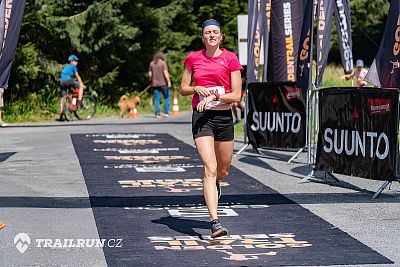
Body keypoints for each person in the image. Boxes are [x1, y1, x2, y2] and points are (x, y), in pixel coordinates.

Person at [180, 19, 242, 238]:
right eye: (208, 33)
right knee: (210, 168)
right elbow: (183, 89)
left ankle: (215, 184)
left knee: (223, 170)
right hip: (202, 118)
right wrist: (196, 88)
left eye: (215, 32)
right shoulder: (193, 58)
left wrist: (215, 95)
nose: (212, 36)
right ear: (203, 37)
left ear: (221, 36)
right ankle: (215, 222)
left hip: (224, 117)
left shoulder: (230, 59)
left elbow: (236, 95)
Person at [59, 55, 85, 121]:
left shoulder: (66, 66)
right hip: (68, 80)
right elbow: (77, 76)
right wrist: (81, 84)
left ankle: (62, 114)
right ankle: (79, 101)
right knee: (80, 86)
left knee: (63, 98)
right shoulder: (73, 67)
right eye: (75, 61)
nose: (77, 62)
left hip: (61, 81)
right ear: (72, 61)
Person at [149, 52, 171, 118]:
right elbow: (165, 72)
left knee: (156, 98)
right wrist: (169, 81)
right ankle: (165, 112)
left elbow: (150, 74)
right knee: (166, 97)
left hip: (155, 84)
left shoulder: (152, 63)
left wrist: (151, 80)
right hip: (163, 84)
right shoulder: (163, 63)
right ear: (161, 57)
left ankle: (157, 113)